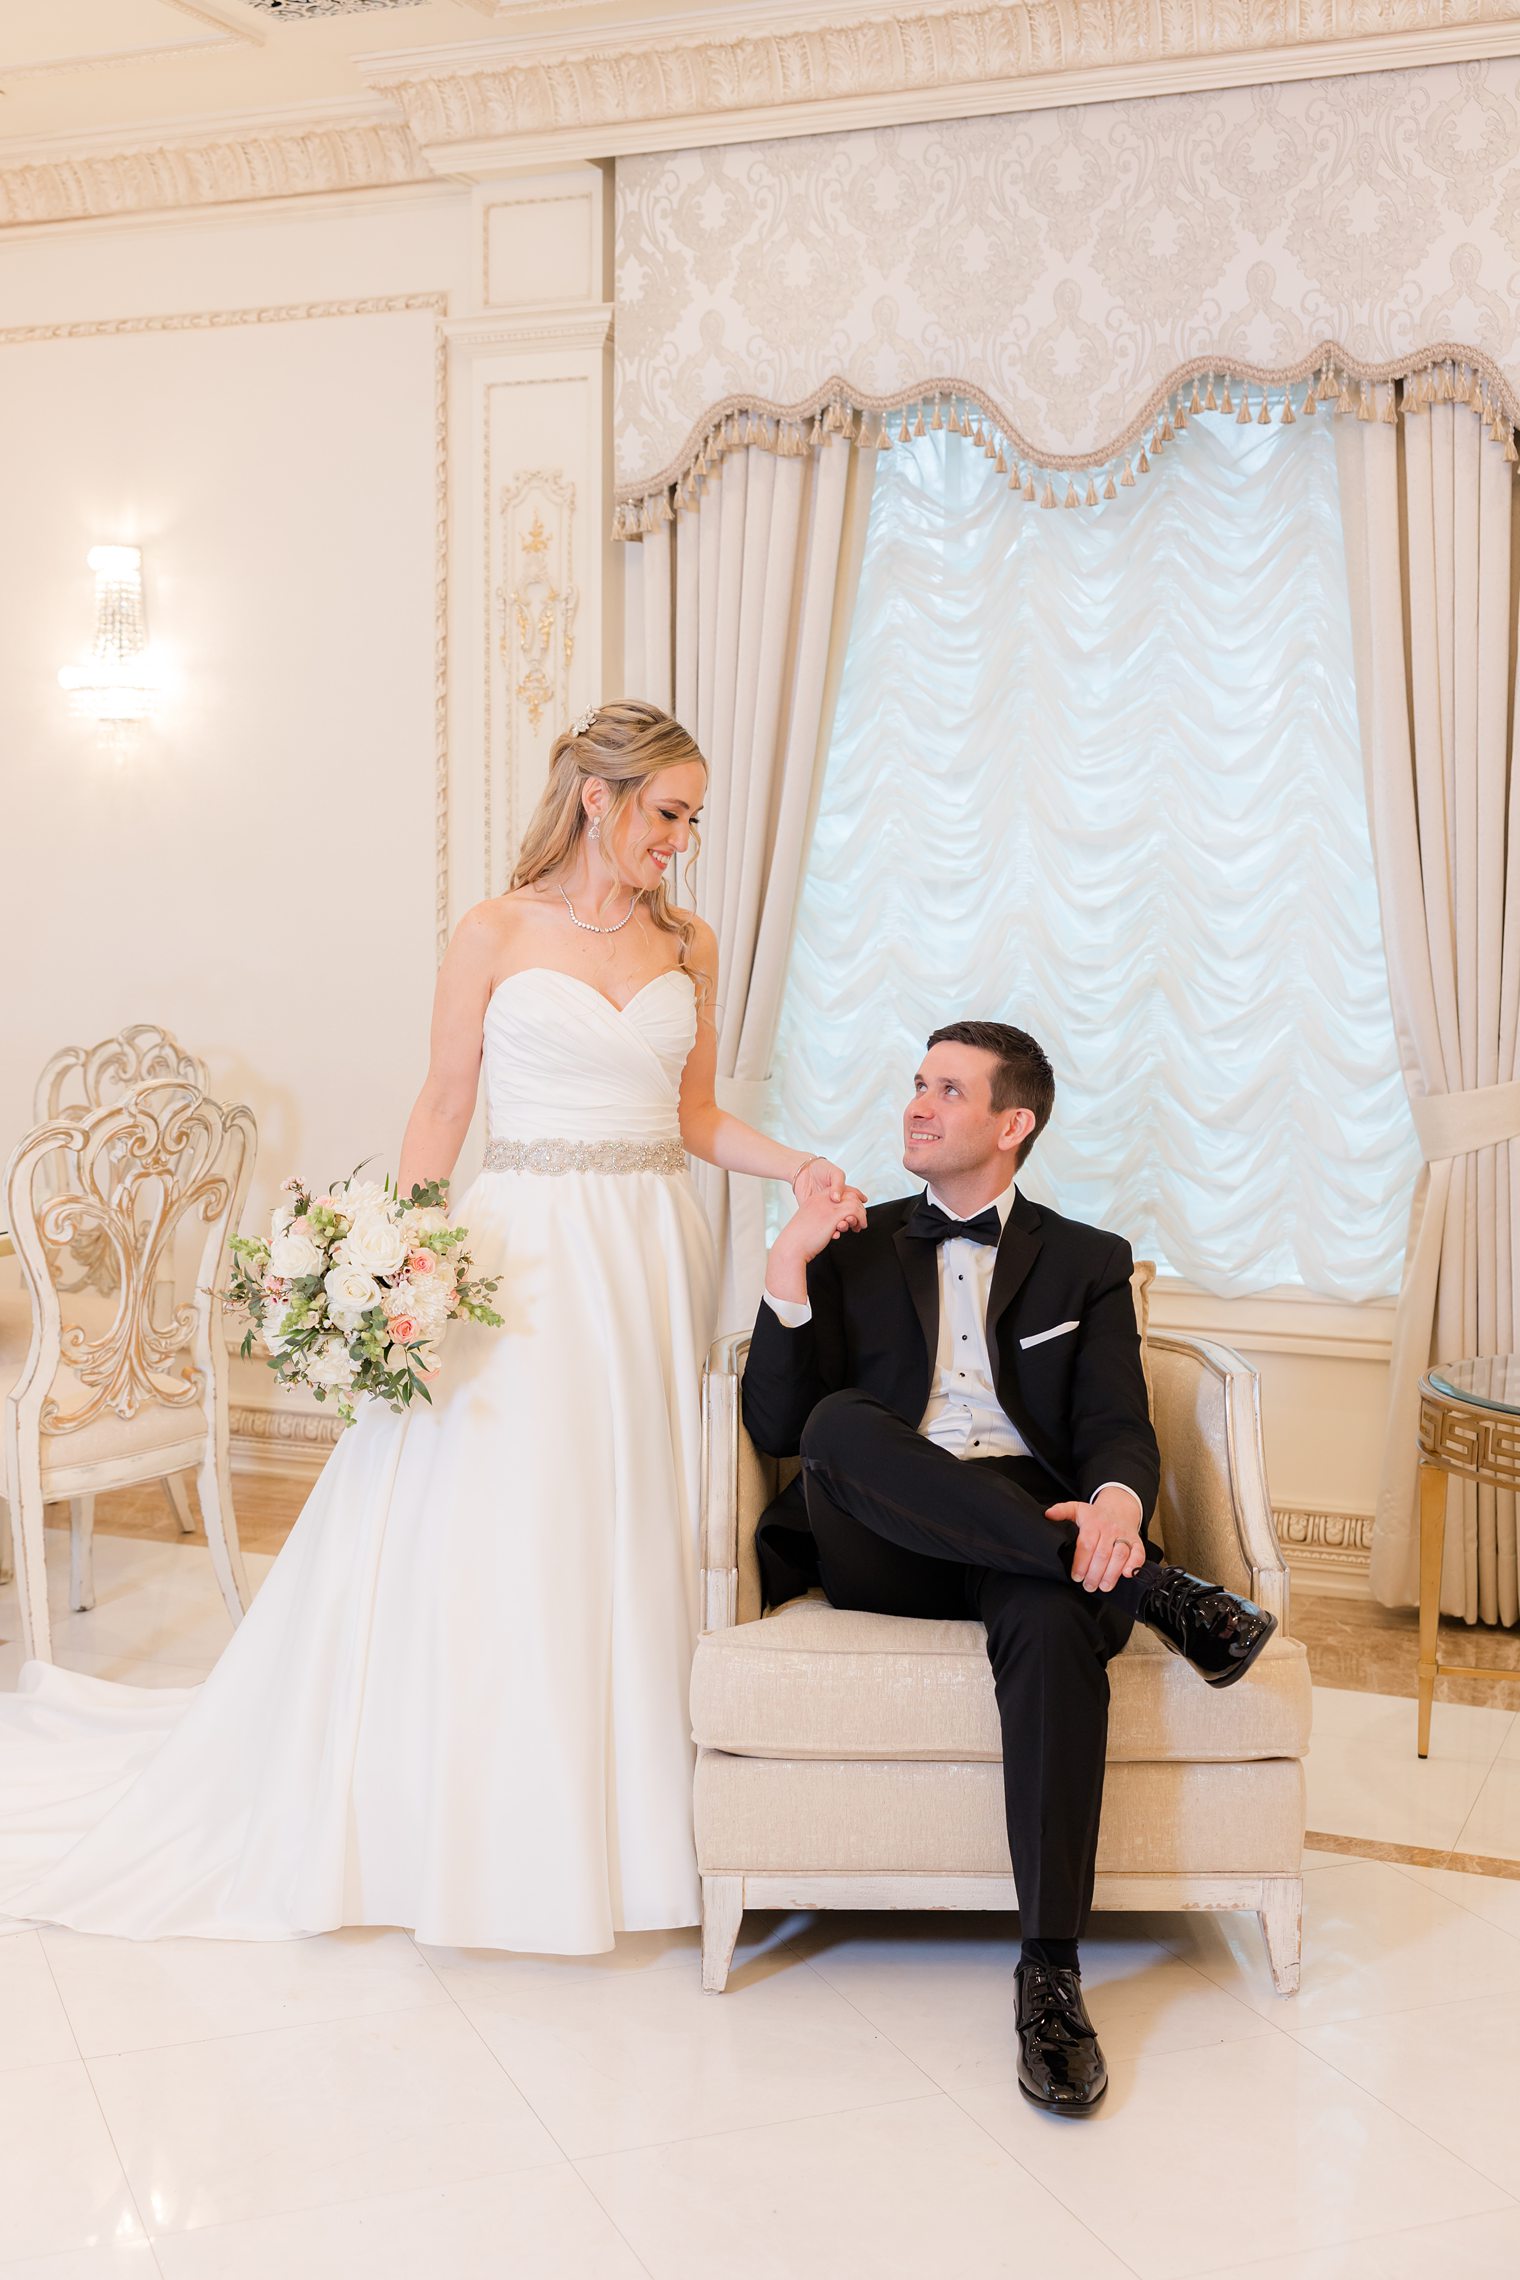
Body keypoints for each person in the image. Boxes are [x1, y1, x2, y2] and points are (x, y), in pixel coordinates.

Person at [0, 699, 854, 1954]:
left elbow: (693, 1115)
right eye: (668, 813)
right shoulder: (494, 930)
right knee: (507, 1512)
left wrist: (793, 1164)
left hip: (645, 1249)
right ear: (597, 799)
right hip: (525, 1250)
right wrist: (398, 1255)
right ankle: (477, 1820)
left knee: (625, 1513)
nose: (682, 839)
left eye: (693, 819)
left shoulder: (689, 941)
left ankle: (628, 1823)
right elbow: (445, 1101)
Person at [741, 1019, 1276, 2116]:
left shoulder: (1085, 1260)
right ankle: (1157, 1593)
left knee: (1046, 1609)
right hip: (882, 1535)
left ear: (1011, 1122)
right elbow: (779, 1424)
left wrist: (1118, 1504)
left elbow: (1115, 1427)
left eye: (946, 1089)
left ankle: (1049, 1974)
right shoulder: (849, 1244)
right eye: (915, 1084)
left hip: (1025, 1534)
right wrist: (787, 1265)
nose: (915, 1105)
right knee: (843, 1423)